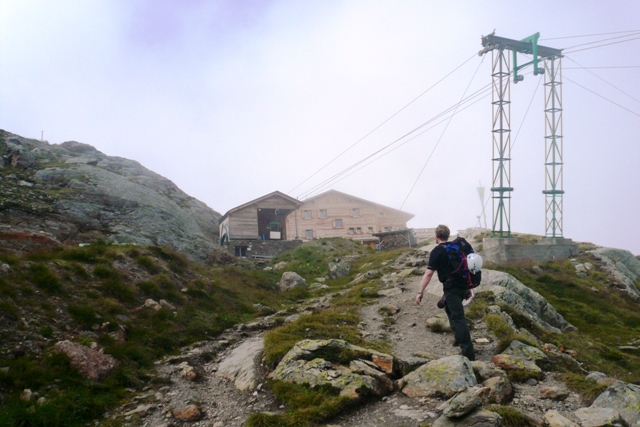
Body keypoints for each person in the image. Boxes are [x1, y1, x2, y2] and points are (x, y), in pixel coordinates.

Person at [415, 224, 475, 361]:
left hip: (451, 288)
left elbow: (429, 273)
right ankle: (458, 338)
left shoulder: (437, 251)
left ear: (436, 236)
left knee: (458, 318)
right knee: (449, 309)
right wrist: (470, 287)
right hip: (463, 286)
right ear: (447, 235)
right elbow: (467, 267)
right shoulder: (458, 247)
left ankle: (468, 354)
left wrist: (420, 291)